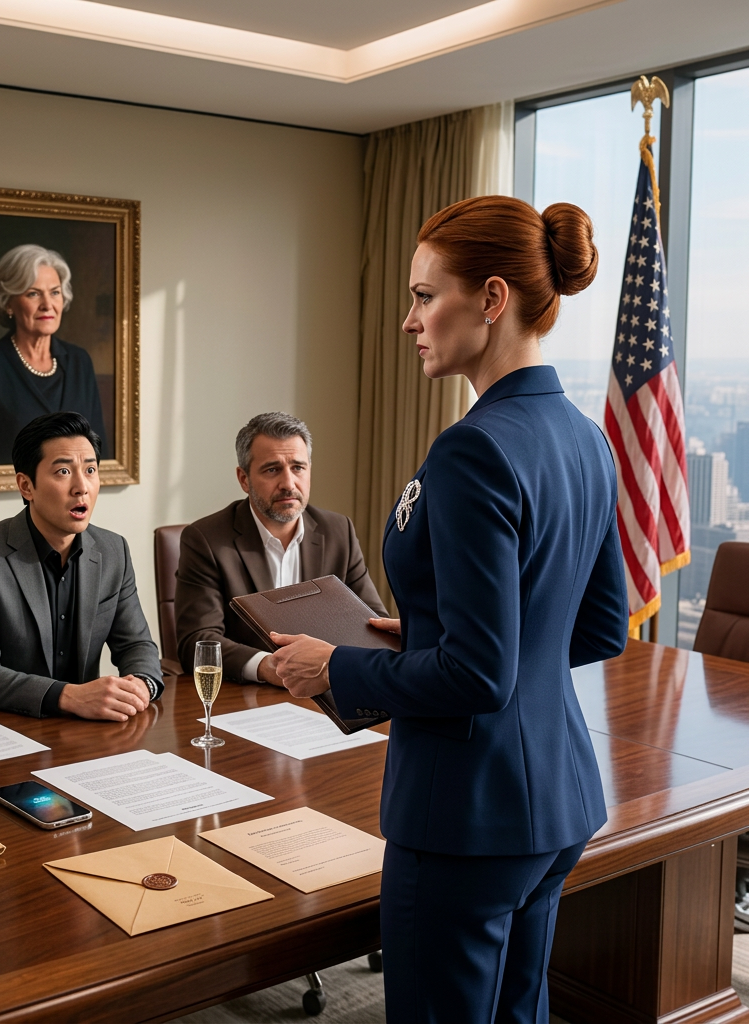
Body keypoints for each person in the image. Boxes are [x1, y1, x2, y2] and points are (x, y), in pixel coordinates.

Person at [270, 197, 629, 1022]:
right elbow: (599, 623)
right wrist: (429, 634)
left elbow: (477, 674)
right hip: (556, 801)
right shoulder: (583, 435)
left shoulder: (473, 447)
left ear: (492, 299)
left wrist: (338, 666)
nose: (409, 320)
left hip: (466, 813)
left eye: (426, 295)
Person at [0, 411, 163, 720]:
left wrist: (141, 684)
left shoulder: (114, 551)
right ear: (26, 486)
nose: (81, 487)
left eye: (90, 470)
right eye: (63, 471)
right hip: (2, 727)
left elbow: (137, 644)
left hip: (82, 729)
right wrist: (69, 696)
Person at [175, 411, 386, 684]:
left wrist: (333, 663)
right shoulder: (206, 539)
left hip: (325, 689)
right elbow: (197, 641)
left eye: (298, 467)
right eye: (272, 469)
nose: (288, 484)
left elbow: (374, 624)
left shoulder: (338, 531)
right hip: (247, 697)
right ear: (244, 479)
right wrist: (269, 667)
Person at [0, 244, 107, 466]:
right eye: (33, 294)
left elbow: (99, 449)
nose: (47, 305)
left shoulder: (79, 361)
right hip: (10, 498)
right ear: (8, 303)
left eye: (55, 292)